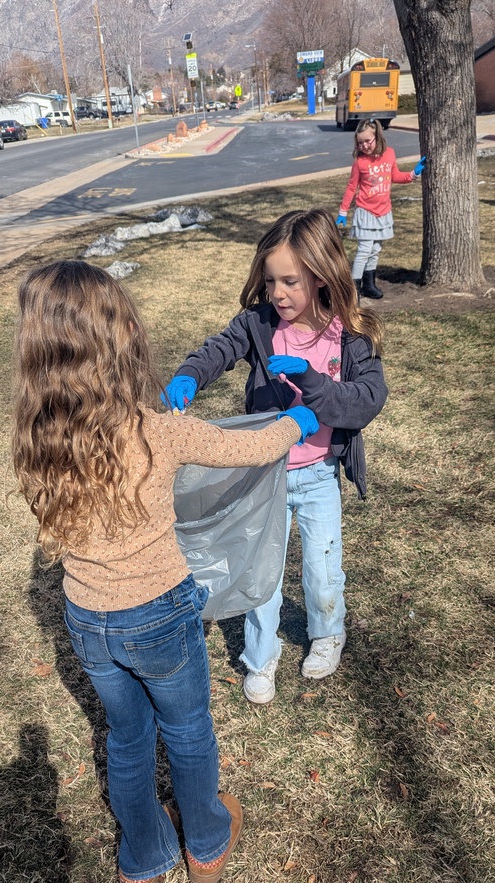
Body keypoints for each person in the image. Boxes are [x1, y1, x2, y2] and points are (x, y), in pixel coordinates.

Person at [11, 259, 319, 883]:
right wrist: (299, 421)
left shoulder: (37, 441)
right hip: (159, 614)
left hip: (88, 621)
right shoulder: (155, 431)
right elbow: (249, 448)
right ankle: (205, 841)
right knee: (186, 730)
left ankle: (142, 860)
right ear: (120, 342)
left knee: (126, 738)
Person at [162, 208, 388, 706]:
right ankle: (260, 655)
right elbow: (218, 349)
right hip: (266, 475)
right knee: (259, 567)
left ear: (323, 275)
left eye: (290, 281)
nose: (278, 293)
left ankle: (328, 631)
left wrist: (314, 385)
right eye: (270, 281)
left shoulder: (348, 336)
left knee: (322, 567)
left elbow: (367, 401)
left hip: (319, 475)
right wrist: (190, 375)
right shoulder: (258, 324)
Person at [336, 118, 426, 299]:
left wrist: (414, 174)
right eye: (360, 143)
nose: (364, 146)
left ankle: (369, 284)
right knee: (364, 250)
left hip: (383, 211)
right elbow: (352, 187)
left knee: (375, 249)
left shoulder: (390, 154)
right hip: (366, 212)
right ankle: (354, 289)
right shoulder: (360, 162)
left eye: (367, 141)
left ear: (377, 137)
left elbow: (396, 176)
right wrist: (342, 212)